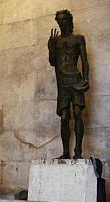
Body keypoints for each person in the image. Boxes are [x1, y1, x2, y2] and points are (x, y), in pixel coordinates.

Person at [48, 9, 89, 159]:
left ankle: (78, 152)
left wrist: (86, 79)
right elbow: (53, 62)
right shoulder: (56, 41)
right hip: (63, 83)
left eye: (63, 20)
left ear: (69, 21)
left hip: (75, 80)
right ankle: (65, 153)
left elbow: (85, 61)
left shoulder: (78, 38)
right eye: (59, 21)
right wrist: (51, 47)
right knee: (64, 117)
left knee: (78, 113)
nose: (61, 23)